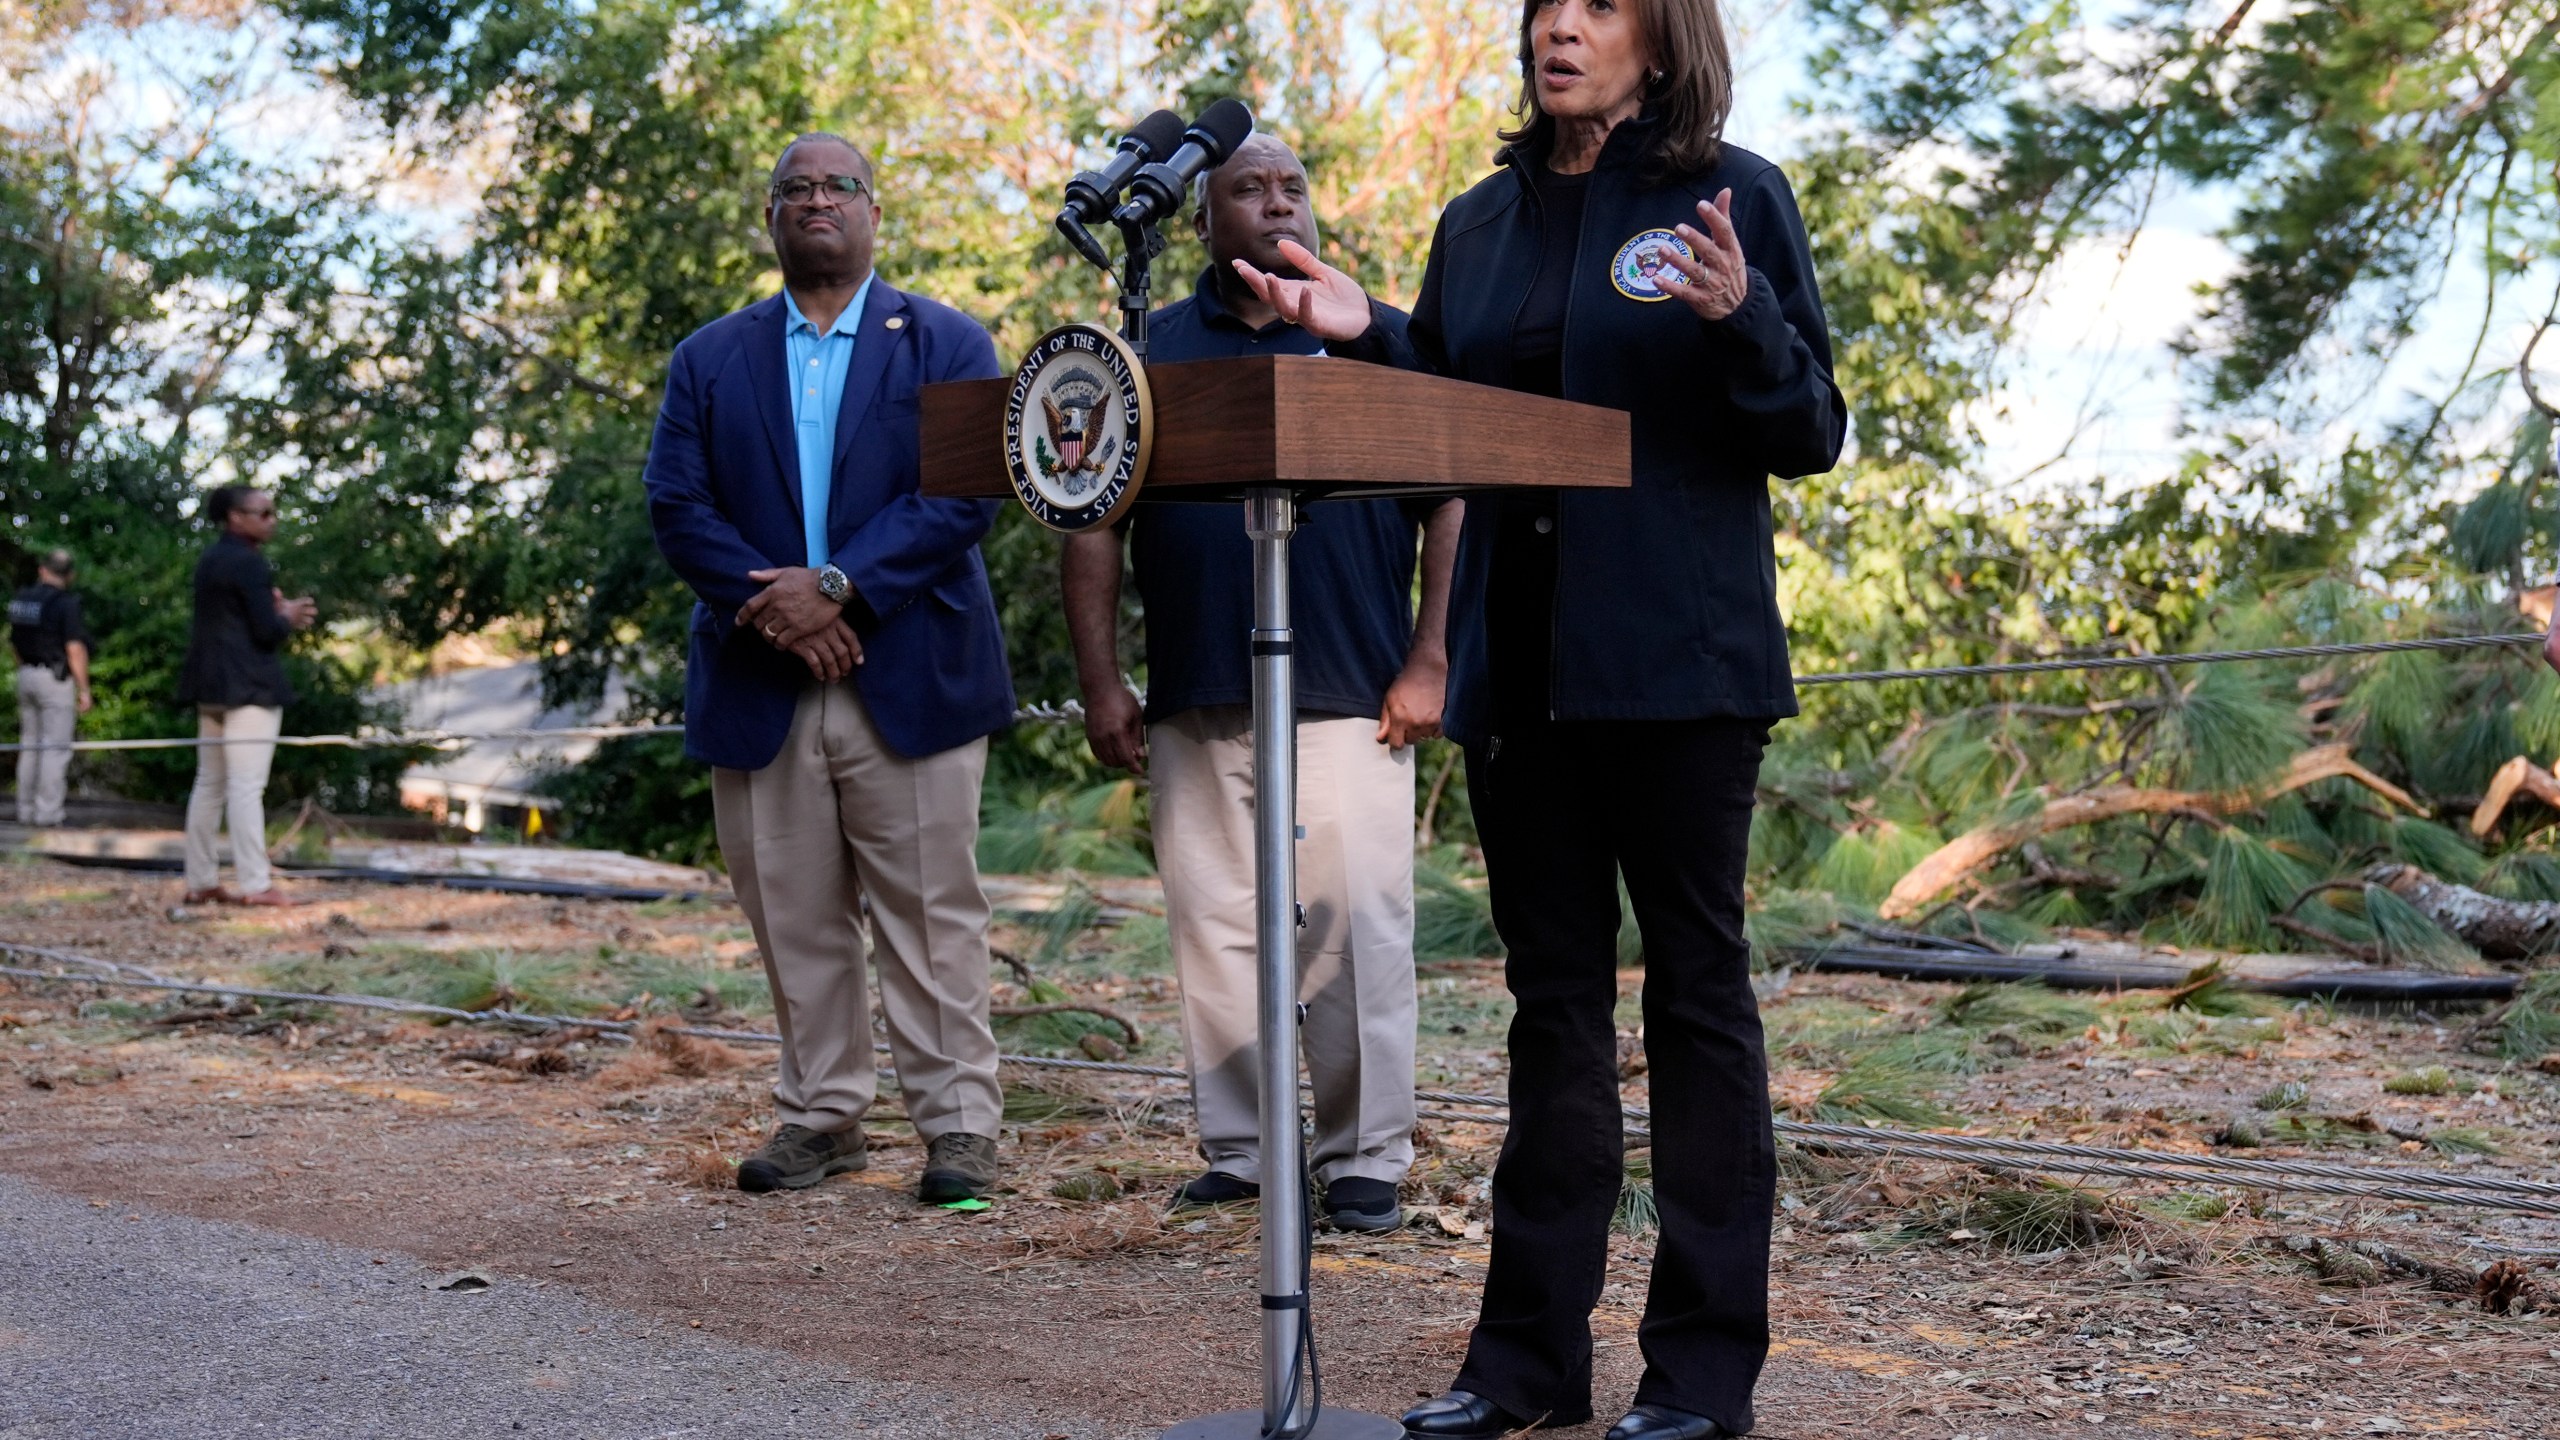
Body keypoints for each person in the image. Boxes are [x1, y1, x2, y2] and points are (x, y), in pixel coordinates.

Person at [1232, 0, 1846, 1433]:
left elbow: (1811, 428)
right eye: (1543, 6)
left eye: (1599, 4)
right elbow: (1455, 422)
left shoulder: (1731, 195)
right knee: (1549, 1013)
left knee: (1698, 1004)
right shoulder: (1479, 222)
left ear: (1661, 34)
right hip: (1528, 684)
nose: (1560, 26)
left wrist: (1738, 315)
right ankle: (1524, 1367)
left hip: (1683, 674)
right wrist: (1365, 332)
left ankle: (1700, 1376)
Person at [1062, 135, 1463, 1234]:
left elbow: (1449, 502)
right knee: (1215, 931)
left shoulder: (1373, 336)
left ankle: (1363, 1156)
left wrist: (1431, 658)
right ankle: (1242, 1150)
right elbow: (1090, 524)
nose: (1277, 200)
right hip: (1197, 689)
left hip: (1352, 687)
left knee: (1357, 933)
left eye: (1293, 185)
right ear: (1202, 220)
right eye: (1247, 187)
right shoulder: (1148, 349)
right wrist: (1104, 682)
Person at [645, 133, 1016, 1205]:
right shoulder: (708, 357)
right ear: (770, 219)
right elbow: (678, 506)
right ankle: (822, 1118)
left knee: (933, 916)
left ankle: (958, 1132)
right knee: (793, 914)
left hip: (911, 674)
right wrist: (784, 615)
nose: (817, 201)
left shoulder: (946, 341)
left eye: (837, 186)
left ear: (873, 213)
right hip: (762, 680)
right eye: (794, 189)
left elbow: (964, 498)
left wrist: (840, 588)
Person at [177, 488, 318, 906]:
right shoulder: (248, 562)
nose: (272, 520)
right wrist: (287, 616)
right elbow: (265, 631)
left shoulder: (211, 559)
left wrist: (273, 611)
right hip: (248, 686)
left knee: (209, 783)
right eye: (264, 513)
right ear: (236, 517)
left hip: (210, 684)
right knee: (245, 787)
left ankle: (201, 880)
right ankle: (256, 884)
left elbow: (235, 619)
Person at [11, 549, 93, 827]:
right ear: (70, 575)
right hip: (53, 679)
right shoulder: (65, 604)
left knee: (30, 745)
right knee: (54, 749)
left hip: (25, 674)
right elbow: (75, 649)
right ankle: (47, 815)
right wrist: (84, 689)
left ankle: (24, 810)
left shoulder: (22, 599)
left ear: (42, 570)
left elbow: (14, 642)